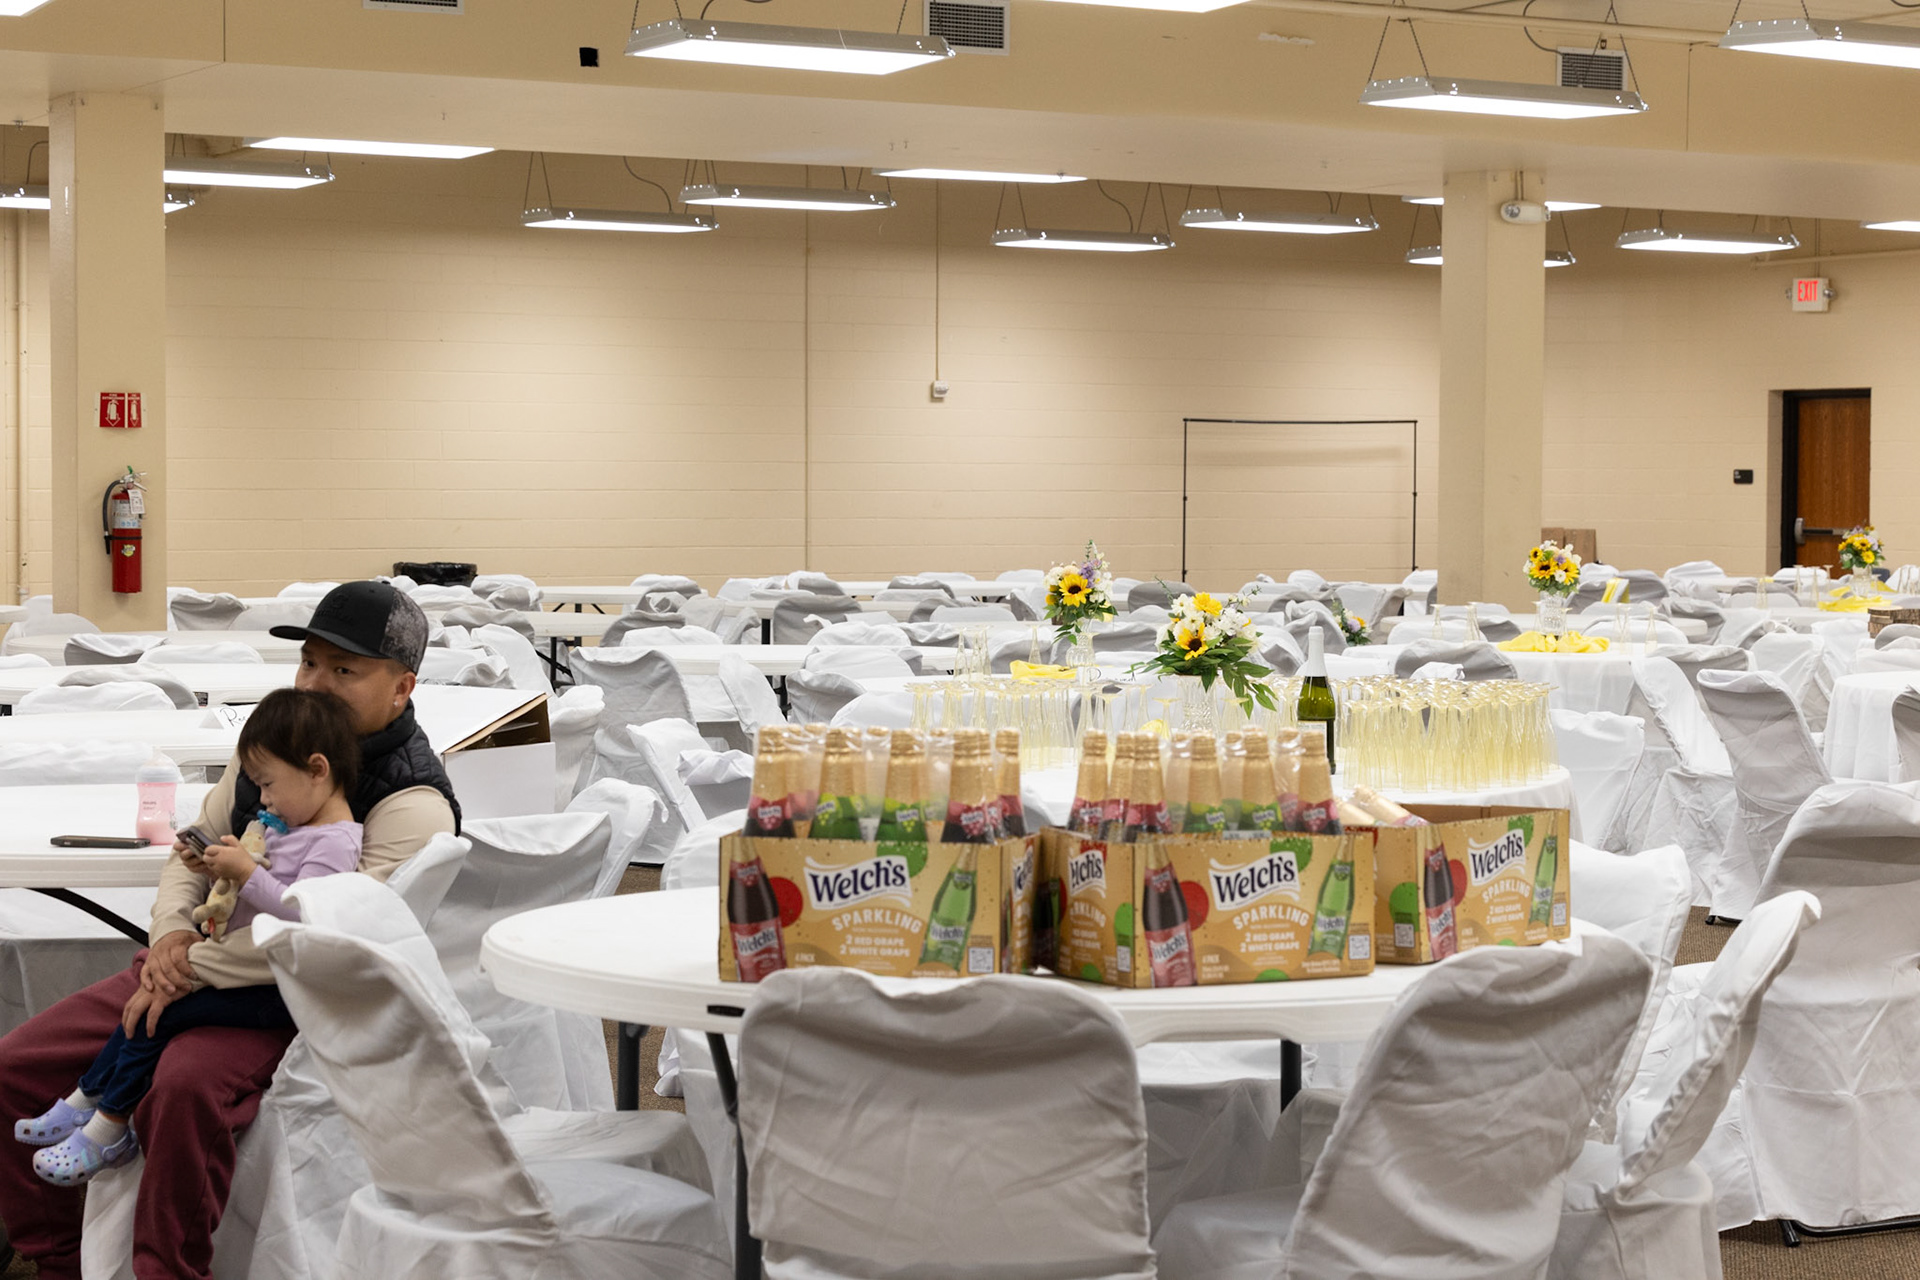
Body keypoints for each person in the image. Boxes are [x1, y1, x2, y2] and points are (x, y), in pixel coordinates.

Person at [0, 581, 459, 1280]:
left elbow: (336, 934)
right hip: (193, 969)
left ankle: (167, 1269)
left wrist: (188, 970)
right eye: (309, 662)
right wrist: (167, 941)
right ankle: (61, 1261)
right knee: (15, 1066)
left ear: (402, 688)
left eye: (344, 669)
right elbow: (193, 851)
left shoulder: (413, 801)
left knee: (181, 1092)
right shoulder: (276, 749)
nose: (316, 683)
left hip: (295, 1001)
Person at [16, 688, 364, 1186]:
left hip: (279, 991)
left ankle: (109, 1125)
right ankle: (85, 1098)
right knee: (143, 1005)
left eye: (268, 786)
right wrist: (215, 867)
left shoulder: (336, 841)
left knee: (159, 1013)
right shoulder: (293, 825)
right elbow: (256, 891)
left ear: (317, 770)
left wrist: (246, 874)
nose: (263, 800)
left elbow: (305, 915)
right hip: (240, 974)